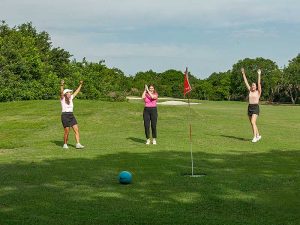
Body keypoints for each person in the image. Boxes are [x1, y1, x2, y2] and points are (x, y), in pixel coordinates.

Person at [60, 80, 85, 149]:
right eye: (68, 92)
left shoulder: (71, 98)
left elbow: (77, 91)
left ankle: (78, 144)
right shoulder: (62, 98)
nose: (70, 93)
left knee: (76, 129)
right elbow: (61, 92)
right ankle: (65, 144)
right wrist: (62, 85)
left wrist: (80, 84)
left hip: (71, 115)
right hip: (65, 116)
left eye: (70, 92)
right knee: (67, 131)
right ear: (65, 93)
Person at [241, 68, 262, 143]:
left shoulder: (258, 92)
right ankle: (258, 135)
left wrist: (259, 74)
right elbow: (246, 82)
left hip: (256, 107)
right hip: (250, 107)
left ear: (256, 87)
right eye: (252, 85)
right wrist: (243, 73)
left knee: (253, 122)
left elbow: (259, 83)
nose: (253, 86)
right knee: (252, 123)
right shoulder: (250, 90)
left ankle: (255, 137)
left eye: (254, 85)